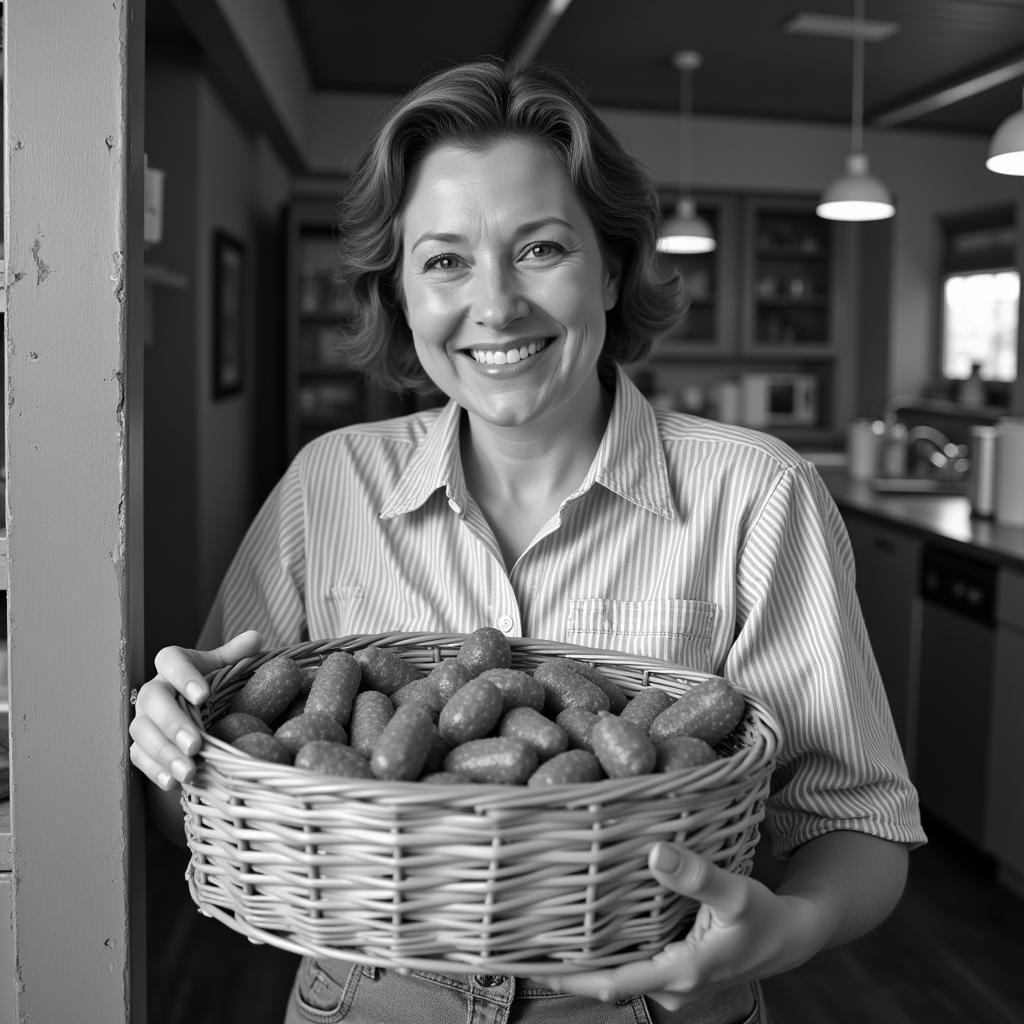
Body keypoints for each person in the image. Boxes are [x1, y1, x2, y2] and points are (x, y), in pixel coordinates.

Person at [130, 57, 926, 1023]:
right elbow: (215, 809)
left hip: (654, 999)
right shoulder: (326, 485)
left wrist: (786, 929)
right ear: (401, 293)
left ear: (616, 264)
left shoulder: (757, 493)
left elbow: (859, 824)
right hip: (367, 999)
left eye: (541, 248)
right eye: (445, 259)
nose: (496, 304)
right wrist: (176, 744)